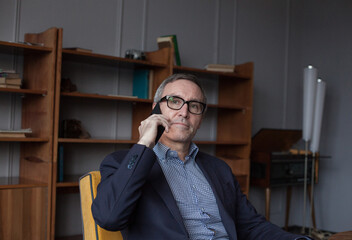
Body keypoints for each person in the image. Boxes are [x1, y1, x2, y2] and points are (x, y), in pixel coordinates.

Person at [92, 73, 312, 240]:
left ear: (201, 118)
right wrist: (144, 145)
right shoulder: (122, 162)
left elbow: (251, 225)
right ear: (155, 109)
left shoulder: (218, 168)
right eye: (174, 101)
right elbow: (109, 218)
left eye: (194, 106)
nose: (184, 112)